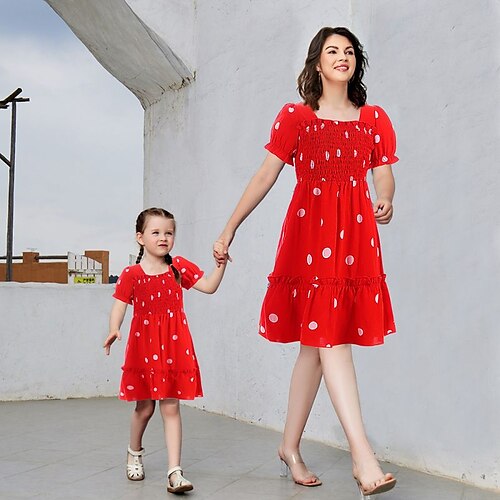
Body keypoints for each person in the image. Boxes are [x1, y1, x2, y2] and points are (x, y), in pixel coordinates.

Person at [213, 26, 398, 498]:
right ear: (317, 62)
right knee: (331, 341)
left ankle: (289, 448)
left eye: (349, 51)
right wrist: (230, 225)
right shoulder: (296, 117)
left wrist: (385, 200)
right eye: (332, 51)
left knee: (315, 350)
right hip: (311, 237)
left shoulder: (373, 118)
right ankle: (363, 456)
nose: (342, 57)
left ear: (357, 63)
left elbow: (384, 173)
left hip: (355, 239)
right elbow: (266, 174)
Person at [104, 207, 227, 494]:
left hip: (174, 345)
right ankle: (134, 452)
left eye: (168, 233)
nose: (163, 238)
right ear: (140, 237)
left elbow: (208, 286)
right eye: (156, 232)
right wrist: (114, 328)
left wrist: (221, 264)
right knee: (144, 407)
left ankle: (175, 471)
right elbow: (120, 304)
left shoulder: (178, 267)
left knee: (171, 406)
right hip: (144, 346)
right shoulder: (131, 274)